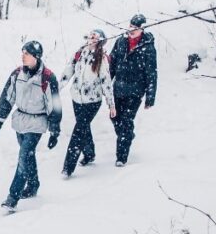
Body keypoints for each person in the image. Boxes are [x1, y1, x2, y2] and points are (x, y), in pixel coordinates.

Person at [0, 41, 62, 212]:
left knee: (23, 157)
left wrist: (54, 131)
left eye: (27, 53)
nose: (23, 56)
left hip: (37, 123)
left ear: (36, 57)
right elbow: (7, 98)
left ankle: (12, 197)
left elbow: (55, 105)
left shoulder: (47, 77)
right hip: (20, 121)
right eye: (22, 52)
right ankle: (33, 184)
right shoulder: (17, 74)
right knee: (28, 156)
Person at [60, 28, 116, 178]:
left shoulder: (102, 58)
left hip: (92, 101)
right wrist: (56, 88)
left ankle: (68, 167)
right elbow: (68, 71)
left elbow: (106, 81)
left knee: (79, 130)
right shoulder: (79, 53)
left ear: (100, 41)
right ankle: (90, 154)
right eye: (90, 36)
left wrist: (111, 104)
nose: (91, 39)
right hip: (77, 98)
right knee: (83, 127)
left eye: (94, 37)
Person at [109, 14, 157, 166]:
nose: (132, 30)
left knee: (126, 122)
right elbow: (111, 64)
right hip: (118, 89)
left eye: (135, 28)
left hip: (135, 91)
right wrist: (105, 84)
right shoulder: (120, 42)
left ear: (142, 28)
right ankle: (128, 135)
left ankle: (121, 157)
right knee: (114, 118)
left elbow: (151, 72)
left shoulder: (147, 46)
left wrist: (150, 97)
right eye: (130, 26)